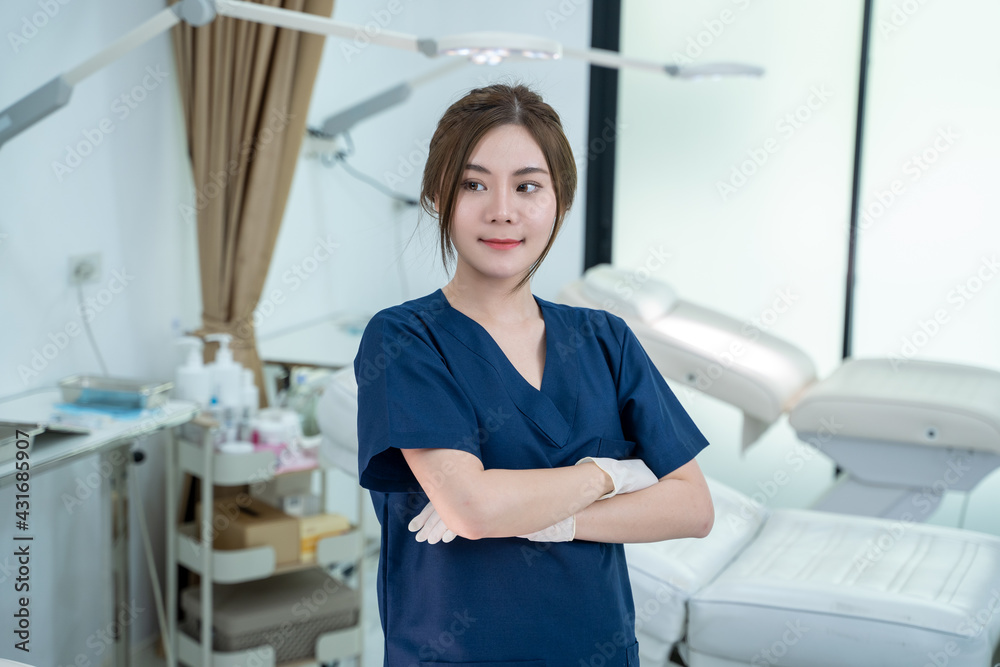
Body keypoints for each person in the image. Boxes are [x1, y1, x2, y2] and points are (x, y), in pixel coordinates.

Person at [354, 82, 713, 667]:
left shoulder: (605, 339)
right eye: (473, 184)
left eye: (527, 186)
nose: (502, 209)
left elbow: (692, 509)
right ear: (435, 197)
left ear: (560, 201)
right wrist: (612, 474)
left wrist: (560, 520)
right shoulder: (405, 339)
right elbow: (474, 509)